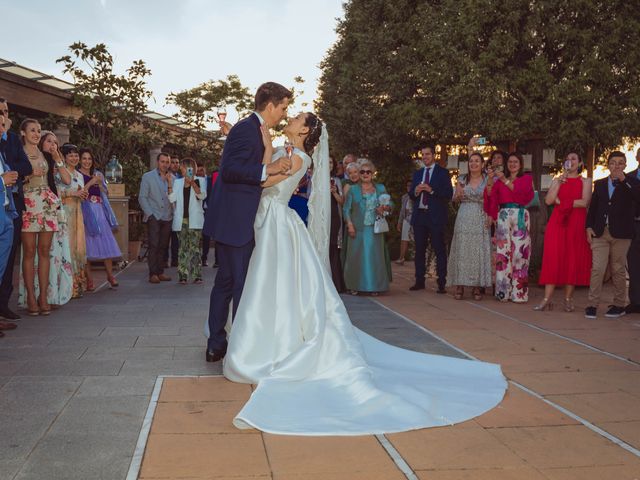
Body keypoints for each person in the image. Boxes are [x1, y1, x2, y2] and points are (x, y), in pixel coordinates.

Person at [222, 112, 506, 435]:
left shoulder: (299, 158)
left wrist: (266, 146)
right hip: (269, 222)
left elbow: (262, 181)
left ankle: (275, 347)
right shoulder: (286, 152)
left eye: (298, 116)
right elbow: (261, 170)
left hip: (278, 225)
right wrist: (260, 145)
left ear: (305, 130)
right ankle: (264, 341)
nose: (292, 116)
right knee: (269, 287)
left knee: (280, 287)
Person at [203, 82, 293, 363]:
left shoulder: (256, 131)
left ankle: (217, 344)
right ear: (270, 106)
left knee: (227, 282)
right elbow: (229, 171)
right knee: (239, 284)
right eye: (283, 108)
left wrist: (267, 159)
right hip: (236, 220)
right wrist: (270, 167)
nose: (284, 114)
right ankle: (239, 350)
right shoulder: (245, 129)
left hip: (236, 220)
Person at [18, 135, 74, 308]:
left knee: (44, 252)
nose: (52, 144)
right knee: (28, 252)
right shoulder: (19, 154)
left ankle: (43, 297)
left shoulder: (49, 158)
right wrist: (28, 174)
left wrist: (58, 159)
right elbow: (14, 180)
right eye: (32, 130)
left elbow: (67, 180)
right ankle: (31, 298)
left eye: (55, 142)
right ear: (24, 133)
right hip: (28, 203)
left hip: (48, 205)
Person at [584, 151, 639, 319]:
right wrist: (588, 227)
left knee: (618, 269)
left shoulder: (632, 183)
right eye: (613, 162)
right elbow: (593, 208)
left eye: (620, 163)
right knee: (598, 268)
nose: (616, 166)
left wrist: (624, 180)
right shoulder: (600, 184)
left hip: (622, 234)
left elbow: (637, 197)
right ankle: (592, 304)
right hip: (601, 232)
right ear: (608, 165)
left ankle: (619, 304)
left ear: (625, 165)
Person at [535, 152, 592, 312]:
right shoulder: (557, 179)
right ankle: (546, 299)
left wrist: (561, 202)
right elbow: (548, 201)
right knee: (552, 258)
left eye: (574, 159)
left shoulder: (586, 181)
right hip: (557, 223)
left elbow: (584, 202)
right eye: (567, 159)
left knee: (571, 260)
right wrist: (559, 182)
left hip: (576, 224)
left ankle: (568, 299)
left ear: (580, 163)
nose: (570, 161)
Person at [484, 152, 534, 302]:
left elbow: (520, 194)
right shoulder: (499, 181)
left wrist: (503, 179)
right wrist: (490, 180)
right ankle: (503, 292)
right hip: (503, 216)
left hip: (519, 215)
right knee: (502, 255)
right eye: (510, 162)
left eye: (515, 162)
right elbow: (490, 197)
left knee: (520, 255)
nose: (512, 164)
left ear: (520, 164)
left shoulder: (526, 179)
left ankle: (519, 293)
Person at [0, 98, 32, 321]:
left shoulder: (12, 139)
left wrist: (11, 171)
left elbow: (26, 166)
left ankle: (3, 305)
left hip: (12, 204)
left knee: (9, 257)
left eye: (6, 111)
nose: (5, 115)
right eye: (1, 111)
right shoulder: (5, 138)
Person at [343, 159, 392, 295]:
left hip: (375, 229)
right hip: (357, 230)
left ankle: (374, 287)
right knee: (356, 258)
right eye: (362, 172)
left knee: (374, 258)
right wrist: (350, 225)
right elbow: (346, 209)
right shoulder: (353, 190)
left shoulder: (380, 188)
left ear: (373, 173)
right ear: (359, 174)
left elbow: (390, 205)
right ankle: (354, 285)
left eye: (368, 171)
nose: (365, 174)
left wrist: (385, 208)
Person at [447, 153, 492, 300]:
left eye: (477, 161)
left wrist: (491, 215)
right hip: (464, 216)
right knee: (462, 250)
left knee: (477, 250)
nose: (473, 164)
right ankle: (459, 285)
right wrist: (457, 195)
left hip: (480, 216)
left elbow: (492, 197)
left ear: (482, 164)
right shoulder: (461, 179)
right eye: (471, 161)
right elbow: (454, 198)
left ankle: (476, 286)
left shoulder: (487, 179)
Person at [409, 144, 453, 293]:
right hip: (420, 216)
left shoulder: (443, 173)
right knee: (419, 250)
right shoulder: (418, 173)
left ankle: (441, 282)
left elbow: (448, 194)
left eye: (427, 154)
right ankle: (419, 281)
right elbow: (411, 194)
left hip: (435, 217)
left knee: (439, 249)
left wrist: (431, 190)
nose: (425, 157)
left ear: (433, 155)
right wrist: (415, 191)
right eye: (423, 155)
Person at [79, 149, 121, 290]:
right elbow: (81, 193)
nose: (87, 161)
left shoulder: (98, 174)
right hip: (86, 211)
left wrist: (101, 184)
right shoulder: (77, 175)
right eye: (84, 158)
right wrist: (92, 182)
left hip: (99, 210)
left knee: (106, 243)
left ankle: (110, 275)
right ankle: (89, 279)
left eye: (89, 158)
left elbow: (105, 193)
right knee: (87, 246)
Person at [168, 158, 206, 284]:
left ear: (190, 168)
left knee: (195, 249)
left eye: (183, 167)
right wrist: (169, 183)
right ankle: (183, 276)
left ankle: (197, 275)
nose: (181, 169)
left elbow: (202, 196)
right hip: (181, 220)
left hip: (195, 220)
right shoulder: (178, 182)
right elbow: (171, 198)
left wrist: (193, 183)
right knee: (182, 249)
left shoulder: (200, 180)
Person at [139, 152, 174, 284]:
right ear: (157, 162)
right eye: (162, 161)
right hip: (153, 215)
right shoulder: (147, 177)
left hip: (168, 216)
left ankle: (160, 272)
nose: (165, 164)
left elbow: (174, 198)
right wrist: (150, 214)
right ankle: (152, 273)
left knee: (163, 246)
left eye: (167, 162)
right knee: (154, 245)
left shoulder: (173, 178)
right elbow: (142, 197)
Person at [58, 145, 88, 298]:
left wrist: (82, 194)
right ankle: (66, 287)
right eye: (71, 155)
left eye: (76, 155)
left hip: (77, 213)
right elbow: (55, 193)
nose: (74, 158)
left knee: (78, 247)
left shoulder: (78, 174)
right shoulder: (58, 172)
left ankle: (76, 286)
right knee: (67, 247)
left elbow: (80, 192)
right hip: (64, 213)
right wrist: (73, 193)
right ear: (63, 157)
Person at [0, 108, 19, 336]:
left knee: (2, 269)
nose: (3, 130)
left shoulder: (2, 153)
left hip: (5, 214)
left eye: (3, 125)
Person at [626, 148, 640, 314]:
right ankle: (635, 301)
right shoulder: (628, 177)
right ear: (637, 157)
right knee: (634, 264)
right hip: (633, 225)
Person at [329, 156, 345, 292]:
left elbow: (342, 201)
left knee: (333, 248)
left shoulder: (337, 181)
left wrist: (334, 192)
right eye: (326, 161)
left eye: (330, 162)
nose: (328, 164)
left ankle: (336, 284)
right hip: (321, 217)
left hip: (334, 216)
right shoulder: (315, 180)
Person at [166, 155, 182, 268]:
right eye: (173, 162)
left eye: (177, 162)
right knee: (166, 238)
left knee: (176, 238)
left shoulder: (181, 178)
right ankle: (164, 260)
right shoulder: (167, 177)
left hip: (177, 212)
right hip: (167, 210)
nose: (175, 164)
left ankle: (175, 260)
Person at [395, 179, 414, 265]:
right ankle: (401, 258)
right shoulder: (404, 197)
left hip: (414, 220)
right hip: (406, 219)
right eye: (407, 185)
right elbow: (402, 211)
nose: (409, 187)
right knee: (404, 239)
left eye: (410, 185)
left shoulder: (417, 195)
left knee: (416, 240)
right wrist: (399, 222)